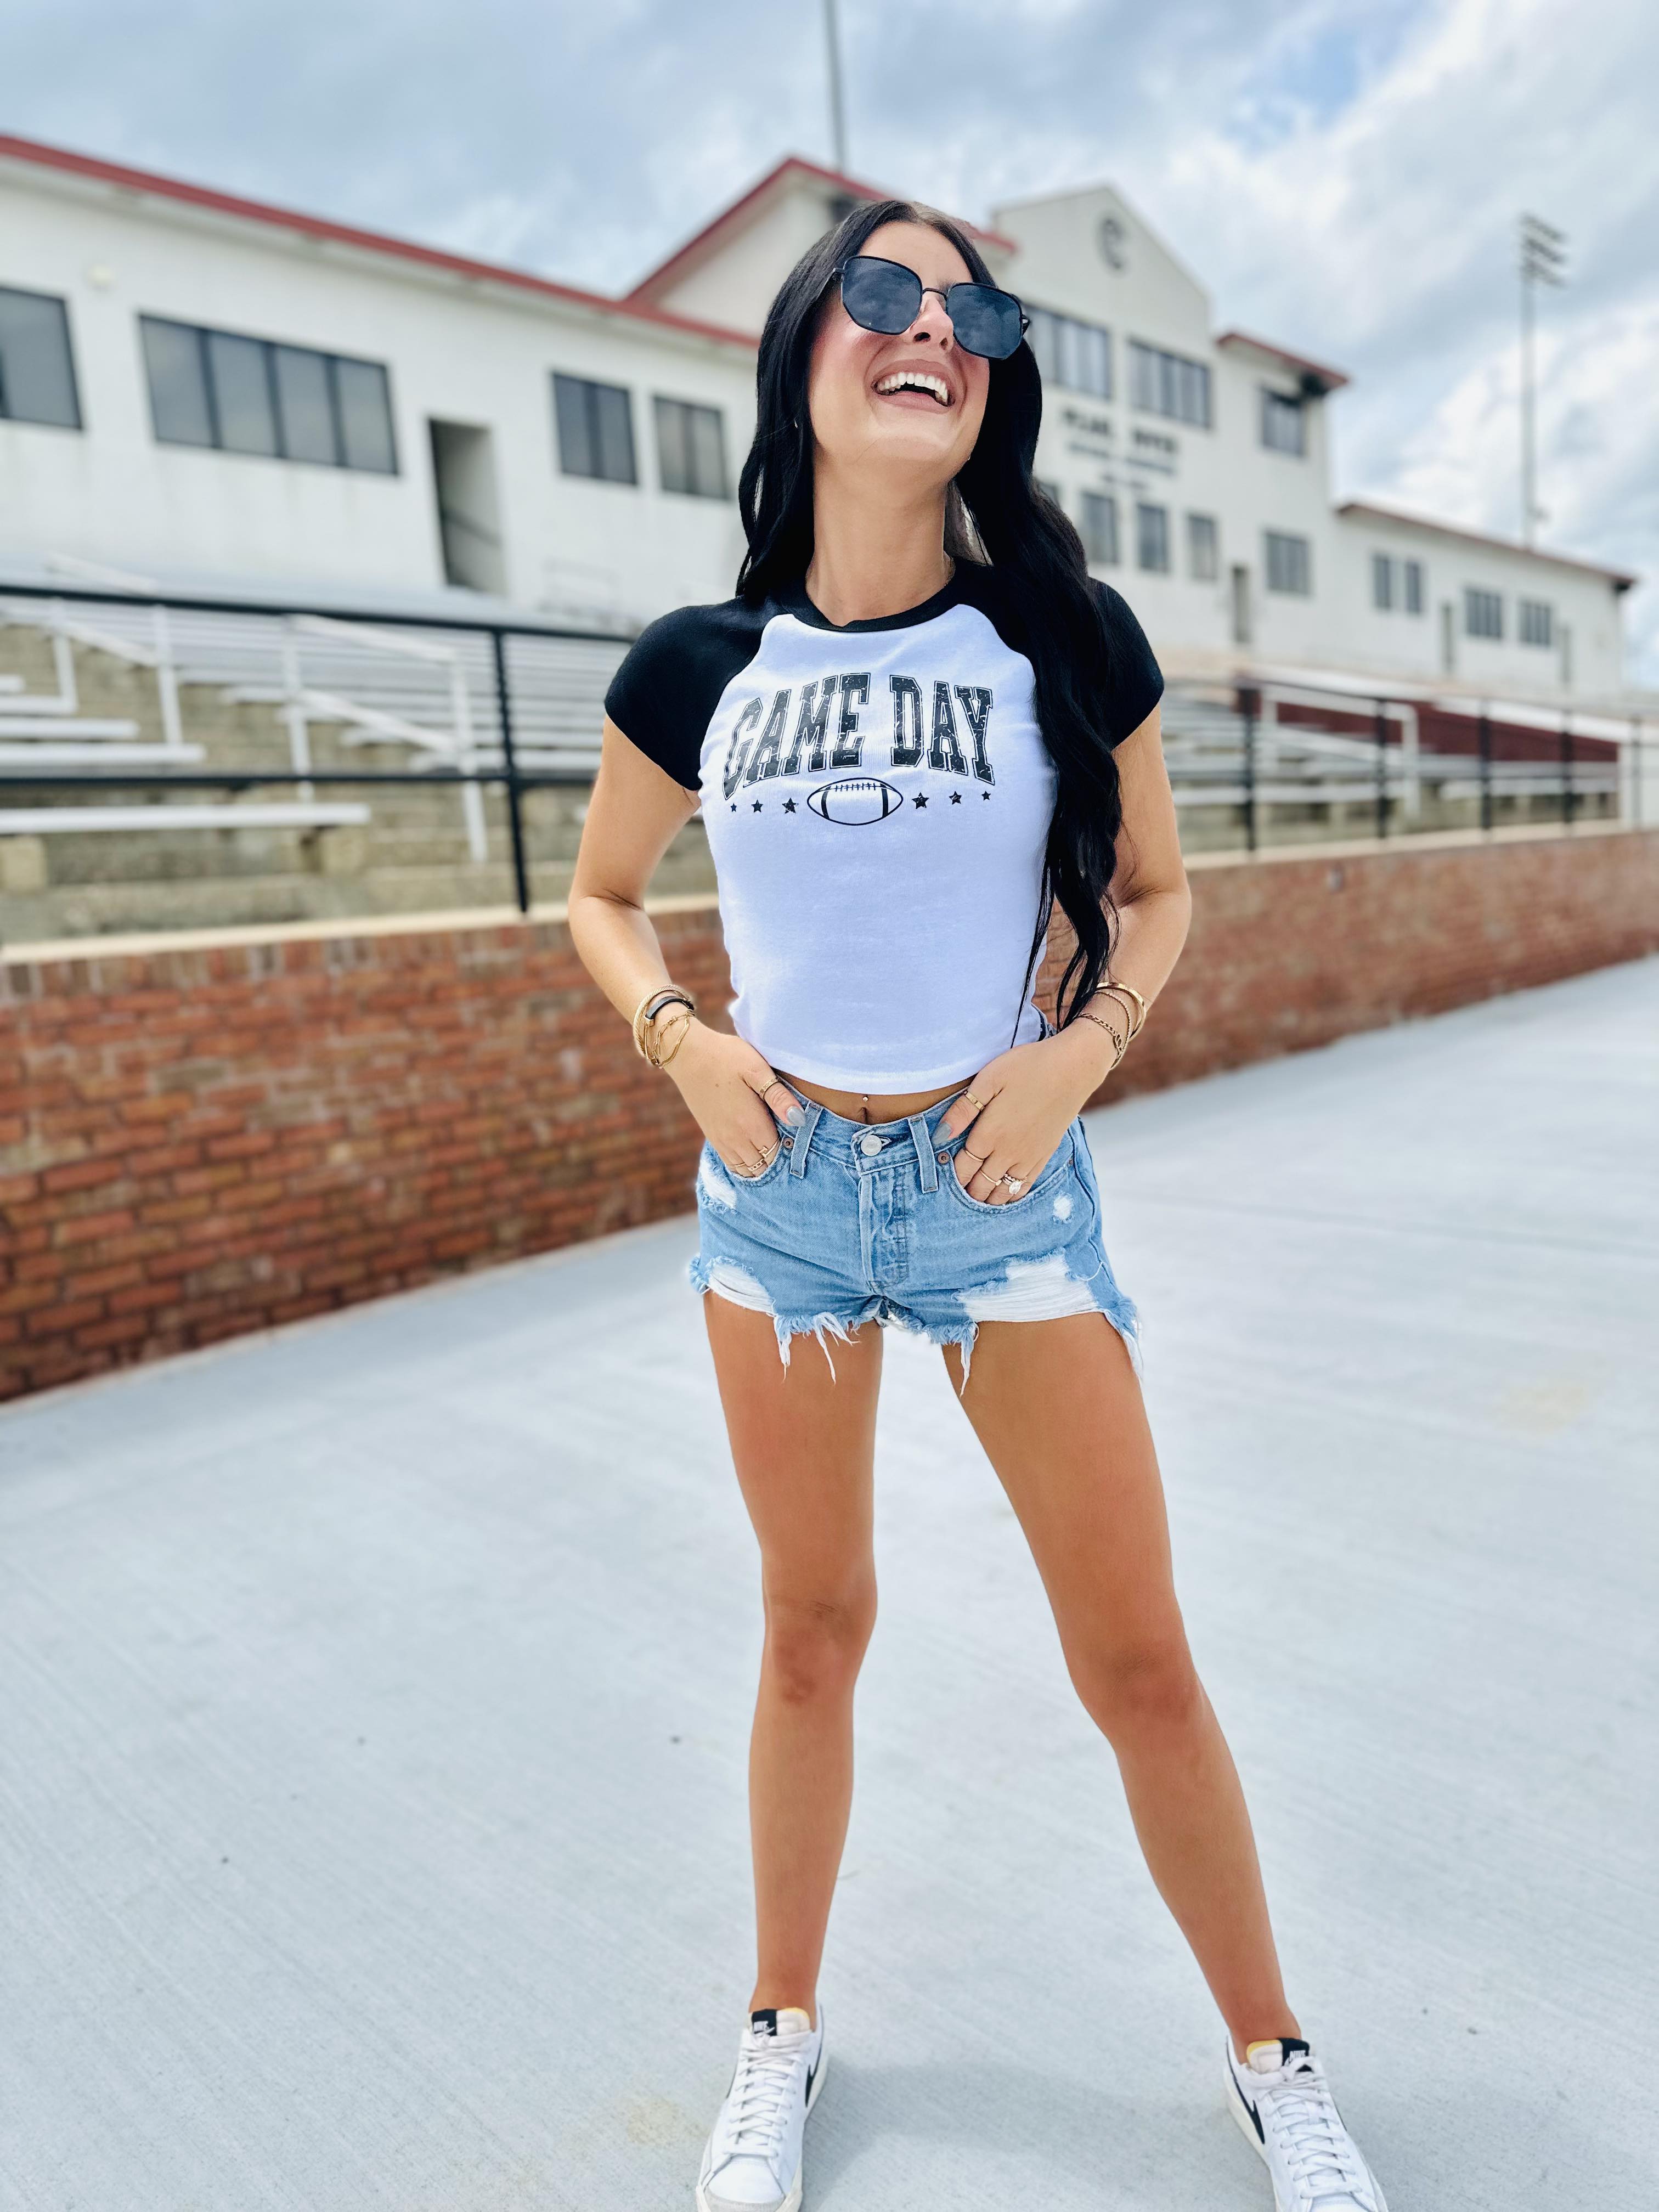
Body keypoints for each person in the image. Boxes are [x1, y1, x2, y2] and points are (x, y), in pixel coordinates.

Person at [568, 199, 1387, 2212]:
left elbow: (1166, 892)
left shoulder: (1052, 634)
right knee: (810, 1631)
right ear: (804, 355)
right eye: (881, 296)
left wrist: (1074, 1053)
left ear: (990, 378)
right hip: (774, 1209)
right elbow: (597, 899)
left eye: (972, 310)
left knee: (1139, 1665)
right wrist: (684, 1038)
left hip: (998, 1197)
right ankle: (780, 2034)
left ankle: (1278, 2065)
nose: (929, 329)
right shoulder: (698, 664)